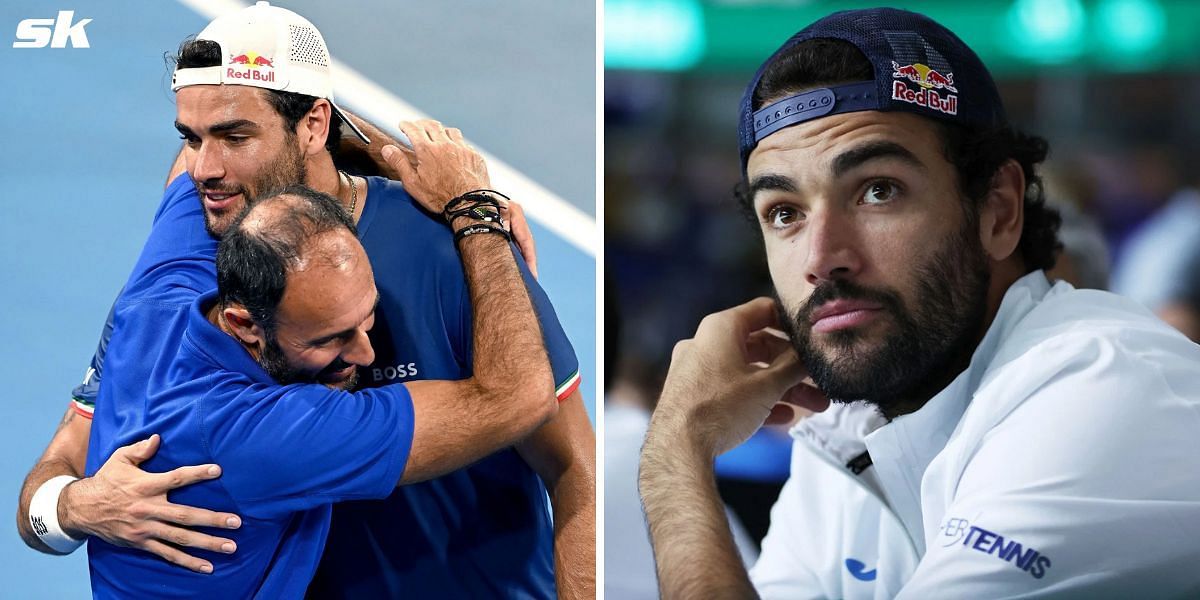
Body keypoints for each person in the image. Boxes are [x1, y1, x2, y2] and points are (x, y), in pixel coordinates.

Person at [17, 3, 594, 598]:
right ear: (242, 321)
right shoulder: (204, 252)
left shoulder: (456, 252)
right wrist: (74, 506)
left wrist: (420, 179)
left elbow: (576, 466)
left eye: (233, 136)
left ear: (315, 126)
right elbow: (63, 457)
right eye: (193, 139)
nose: (205, 169)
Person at [639, 8, 1200, 599]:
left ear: (999, 210)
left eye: (878, 191)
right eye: (785, 213)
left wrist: (677, 450)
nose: (822, 257)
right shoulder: (847, 429)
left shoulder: (1103, 386)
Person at [86, 174, 555, 596]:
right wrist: (474, 213)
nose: (365, 354)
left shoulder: (162, 290)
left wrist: (378, 151)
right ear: (245, 325)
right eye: (330, 338)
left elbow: (201, 157)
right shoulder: (264, 435)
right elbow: (521, 397)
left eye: (368, 314)